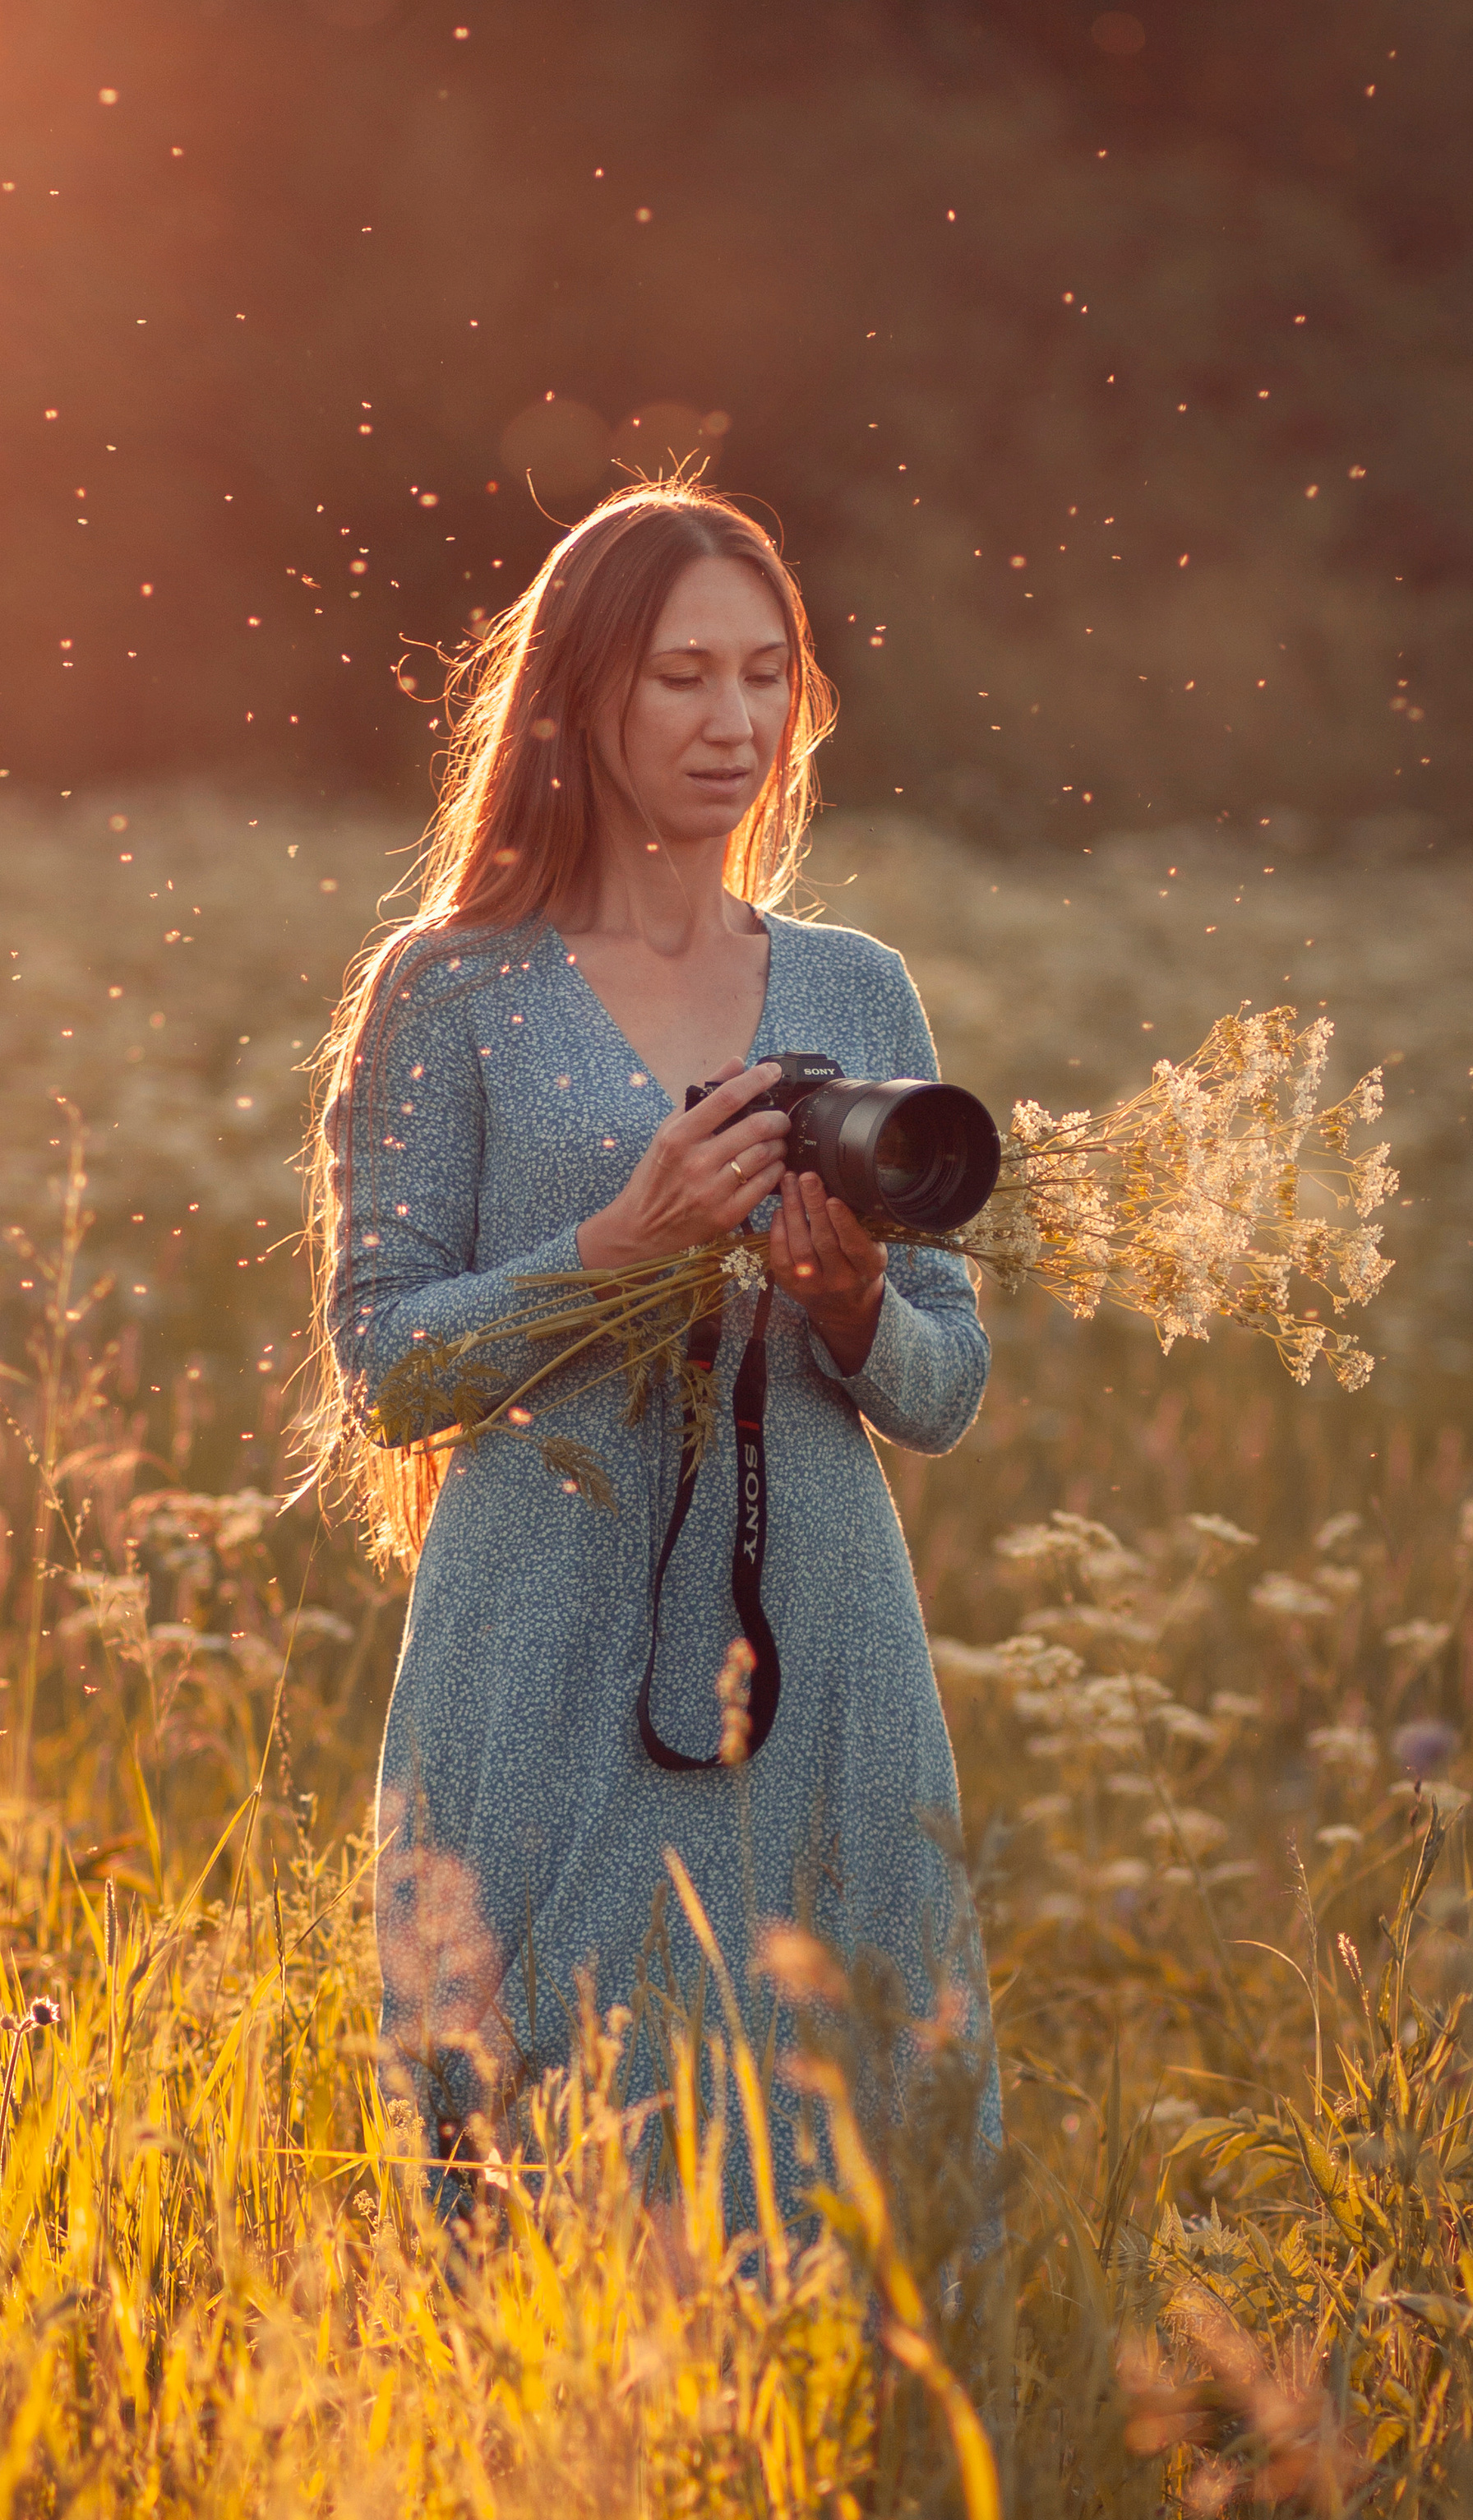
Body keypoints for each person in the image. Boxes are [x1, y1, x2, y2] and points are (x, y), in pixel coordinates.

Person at [304, 478, 1000, 2230]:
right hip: (538, 1641)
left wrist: (848, 1306)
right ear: (578, 695)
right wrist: (618, 1244)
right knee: (542, 2158)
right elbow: (386, 1370)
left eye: (764, 675)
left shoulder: (857, 986)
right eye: (682, 675)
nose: (731, 721)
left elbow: (944, 1391)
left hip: (820, 1649)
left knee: (836, 2160)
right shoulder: (450, 990)